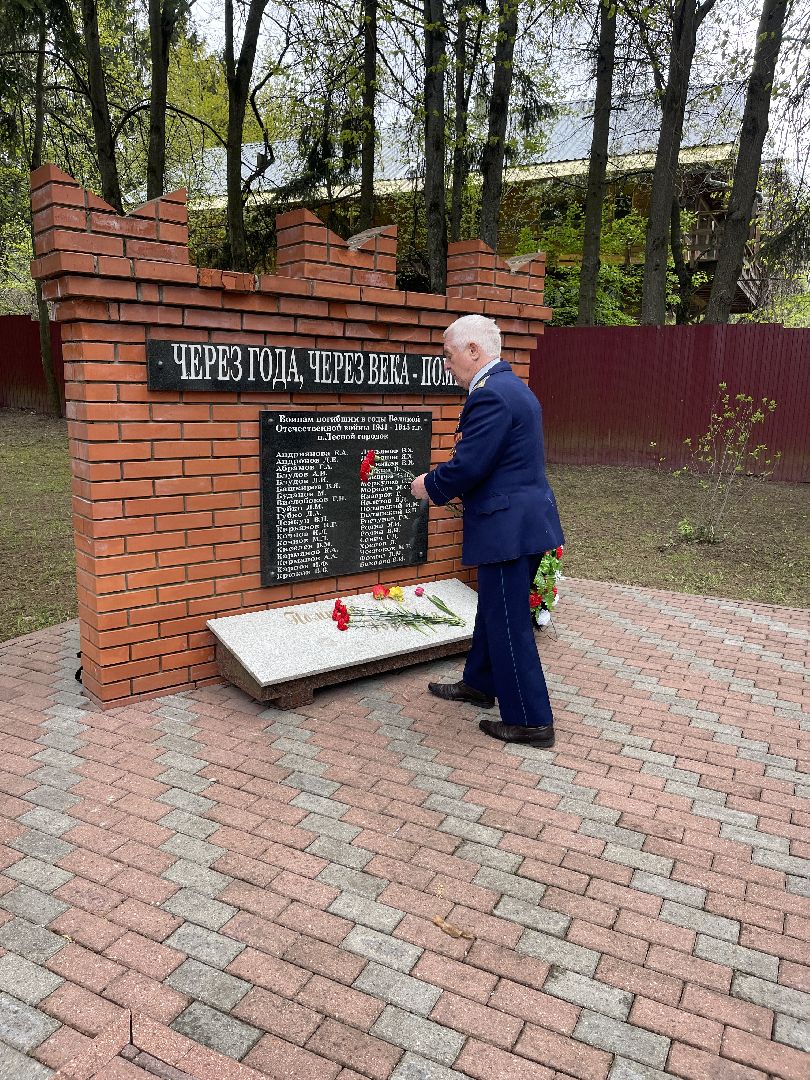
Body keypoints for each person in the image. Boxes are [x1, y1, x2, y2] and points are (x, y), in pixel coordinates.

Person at [410, 314, 563, 747]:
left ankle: (531, 721)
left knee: (509, 621)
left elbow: (471, 464)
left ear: (473, 350)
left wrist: (430, 486)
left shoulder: (492, 395)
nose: (446, 364)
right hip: (522, 523)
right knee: (495, 611)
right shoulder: (512, 388)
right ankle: (479, 683)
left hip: (507, 530)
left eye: (449, 354)